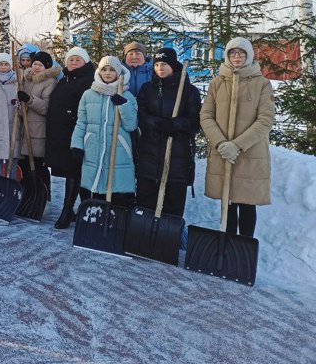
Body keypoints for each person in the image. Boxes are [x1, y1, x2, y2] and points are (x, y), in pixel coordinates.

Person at [200, 37, 274, 238]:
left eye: (241, 53)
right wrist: (222, 143)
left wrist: (237, 145)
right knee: (228, 201)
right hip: (223, 151)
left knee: (247, 203)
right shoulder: (217, 83)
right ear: (227, 56)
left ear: (249, 55)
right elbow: (206, 115)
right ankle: (227, 243)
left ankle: (243, 246)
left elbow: (265, 120)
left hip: (250, 153)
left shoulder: (262, 84)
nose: (237, 56)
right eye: (233, 53)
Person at [135, 48, 201, 217]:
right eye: (156, 64)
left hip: (177, 155)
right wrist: (156, 123)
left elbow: (195, 121)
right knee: (146, 200)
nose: (159, 68)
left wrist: (174, 124)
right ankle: (144, 237)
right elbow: (140, 114)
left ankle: (169, 238)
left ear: (173, 66)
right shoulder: (148, 88)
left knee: (173, 203)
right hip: (149, 153)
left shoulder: (188, 91)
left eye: (164, 64)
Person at [72, 56, 138, 209]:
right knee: (94, 189)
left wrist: (123, 105)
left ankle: (117, 220)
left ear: (119, 72)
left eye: (112, 70)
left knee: (117, 189)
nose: (107, 73)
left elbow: (131, 125)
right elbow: (81, 122)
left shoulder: (127, 95)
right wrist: (77, 145)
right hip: (92, 149)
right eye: (104, 69)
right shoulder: (88, 95)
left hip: (119, 150)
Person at [46, 46, 95, 229]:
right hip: (63, 134)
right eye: (71, 60)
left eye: (78, 60)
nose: (74, 63)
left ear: (85, 62)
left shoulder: (89, 80)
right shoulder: (65, 79)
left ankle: (69, 211)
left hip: (79, 132)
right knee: (72, 172)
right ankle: (81, 210)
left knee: (76, 172)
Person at [17, 51, 62, 189]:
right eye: (35, 63)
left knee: (38, 167)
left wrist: (29, 100)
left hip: (39, 131)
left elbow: (47, 108)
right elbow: (21, 107)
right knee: (24, 166)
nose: (36, 67)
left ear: (47, 67)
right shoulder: (26, 80)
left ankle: (44, 195)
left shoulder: (50, 82)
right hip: (24, 130)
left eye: (40, 65)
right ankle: (28, 197)